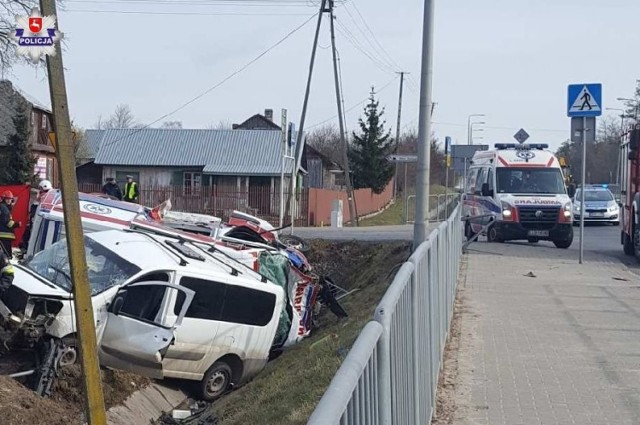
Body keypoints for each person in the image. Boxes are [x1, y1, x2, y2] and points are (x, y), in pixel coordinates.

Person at [20, 179, 53, 252]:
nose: (40, 194)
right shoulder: (36, 204)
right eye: (40, 191)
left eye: (41, 191)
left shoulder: (48, 204)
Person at [0, 191, 20, 259]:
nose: (9, 201)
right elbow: (8, 223)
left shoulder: (4, 208)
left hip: (4, 236)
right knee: (7, 256)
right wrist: (17, 224)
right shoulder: (4, 208)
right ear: (3, 199)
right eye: (7, 199)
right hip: (4, 235)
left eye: (10, 199)